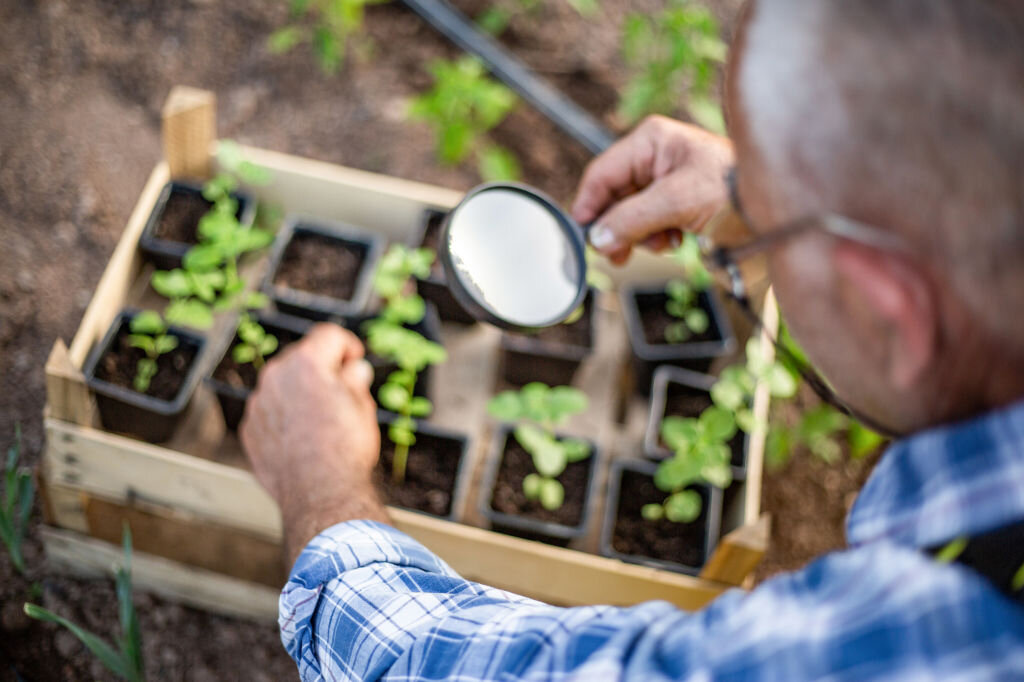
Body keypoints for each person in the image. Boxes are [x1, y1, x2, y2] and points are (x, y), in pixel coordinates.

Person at [241, 0, 1024, 678]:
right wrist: (766, 201)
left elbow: (442, 666)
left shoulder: (925, 642)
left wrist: (321, 482)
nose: (739, 228)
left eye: (763, 231)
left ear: (890, 306)